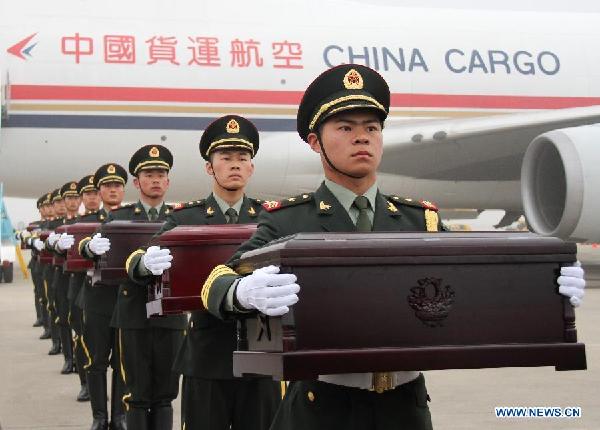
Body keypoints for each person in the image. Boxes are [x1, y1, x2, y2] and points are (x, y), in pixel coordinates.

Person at [196, 64, 587, 430]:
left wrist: (544, 287)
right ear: (315, 142)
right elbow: (217, 281)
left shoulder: (421, 220)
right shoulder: (287, 220)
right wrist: (243, 292)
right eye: (345, 127)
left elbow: (478, 280)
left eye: (372, 127)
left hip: (406, 408)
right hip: (323, 407)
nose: (362, 136)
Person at [126, 116, 280, 430]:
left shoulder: (271, 216)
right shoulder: (187, 216)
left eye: (243, 158)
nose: (235, 165)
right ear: (210, 168)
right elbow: (143, 256)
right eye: (226, 158)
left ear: (251, 167)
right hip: (207, 355)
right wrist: (145, 264)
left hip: (264, 351)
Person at [105, 144, 185, 429]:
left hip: (170, 315)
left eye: (160, 174)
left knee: (165, 394)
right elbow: (103, 256)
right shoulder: (118, 219)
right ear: (137, 182)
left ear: (168, 181)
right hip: (133, 314)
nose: (155, 179)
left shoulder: (182, 218)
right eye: (148, 174)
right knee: (135, 394)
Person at [78, 164, 128, 430]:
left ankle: (119, 415)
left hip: (125, 298)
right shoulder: (86, 223)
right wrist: (88, 247)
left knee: (122, 360)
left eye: (118, 185)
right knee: (96, 360)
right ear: (99, 191)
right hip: (98, 300)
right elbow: (77, 249)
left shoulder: (132, 218)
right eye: (108, 186)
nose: (113, 190)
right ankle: (99, 416)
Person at [54, 174, 103, 401]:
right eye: (88, 194)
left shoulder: (112, 220)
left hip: (104, 288)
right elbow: (58, 249)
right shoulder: (72, 226)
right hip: (80, 286)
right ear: (83, 198)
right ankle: (85, 383)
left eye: (95, 192)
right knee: (83, 339)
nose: (92, 197)